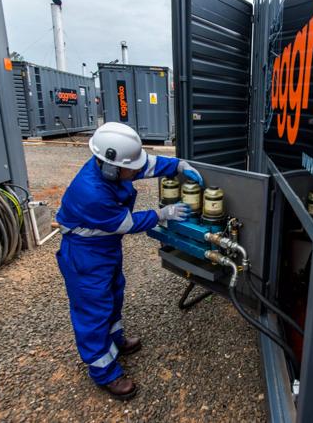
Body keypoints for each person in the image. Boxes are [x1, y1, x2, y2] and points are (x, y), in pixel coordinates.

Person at [55, 122, 204, 399]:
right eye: (131, 168)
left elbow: (147, 165)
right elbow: (125, 223)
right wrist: (163, 213)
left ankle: (115, 340)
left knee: (113, 293)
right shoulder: (92, 194)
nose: (137, 171)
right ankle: (104, 371)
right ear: (112, 169)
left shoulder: (113, 166)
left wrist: (178, 165)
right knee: (93, 309)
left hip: (104, 248)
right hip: (85, 254)